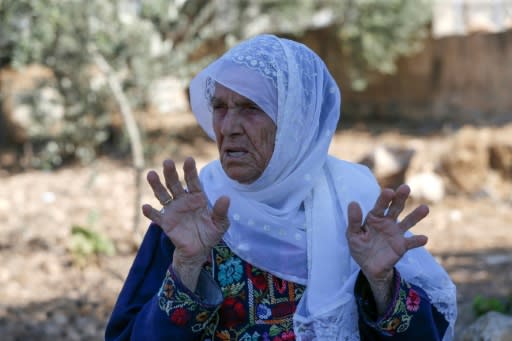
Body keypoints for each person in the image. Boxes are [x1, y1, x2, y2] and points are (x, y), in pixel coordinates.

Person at [105, 34, 457, 340]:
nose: (229, 126)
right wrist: (186, 265)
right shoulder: (193, 211)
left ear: (295, 120)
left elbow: (428, 333)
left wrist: (382, 284)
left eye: (250, 108)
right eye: (220, 107)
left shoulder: (354, 206)